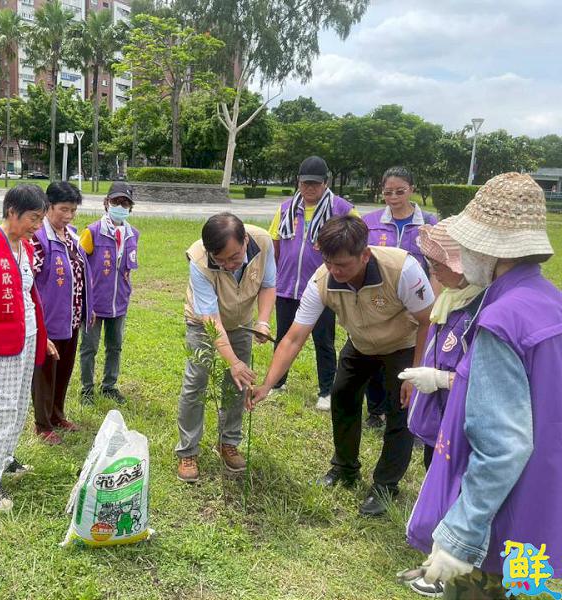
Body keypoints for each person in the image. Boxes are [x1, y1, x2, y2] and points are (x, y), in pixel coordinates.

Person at [407, 173, 562, 599]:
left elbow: (504, 444)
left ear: (490, 250)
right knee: (531, 592)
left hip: (498, 524)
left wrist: (459, 533)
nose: (462, 255)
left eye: (467, 244)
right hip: (541, 516)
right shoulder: (550, 302)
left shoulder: (501, 320)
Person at [250, 215, 435, 516]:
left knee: (399, 410)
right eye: (329, 262)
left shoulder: (402, 268)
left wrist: (415, 374)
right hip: (360, 343)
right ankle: (345, 469)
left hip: (404, 344)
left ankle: (385, 486)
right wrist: (267, 385)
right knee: (343, 396)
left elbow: (428, 320)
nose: (335, 271)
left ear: (365, 255)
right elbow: (294, 337)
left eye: (343, 265)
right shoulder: (322, 279)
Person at [396, 217, 484, 598]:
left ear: (463, 262)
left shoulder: (485, 305)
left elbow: (483, 378)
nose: (433, 274)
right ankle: (437, 554)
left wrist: (441, 379)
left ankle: (451, 571)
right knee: (437, 473)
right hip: (441, 411)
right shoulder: (451, 296)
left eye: (438, 266)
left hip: (466, 415)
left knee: (461, 488)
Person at [0, 185, 58, 511]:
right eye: (33, 218)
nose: (37, 226)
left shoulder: (25, 247)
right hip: (0, 346)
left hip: (27, 338)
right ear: (12, 212)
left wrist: (42, 336)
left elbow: (28, 296)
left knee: (18, 405)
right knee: (0, 410)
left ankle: (5, 458)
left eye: (40, 219)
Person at [176, 213, 276, 483]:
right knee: (196, 382)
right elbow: (212, 321)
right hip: (204, 324)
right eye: (221, 261)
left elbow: (267, 285)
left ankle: (228, 442)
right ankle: (188, 450)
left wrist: (263, 321)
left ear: (245, 240)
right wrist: (233, 361)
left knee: (238, 384)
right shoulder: (198, 260)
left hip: (241, 322)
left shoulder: (264, 242)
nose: (229, 265)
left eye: (234, 258)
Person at [267, 156, 356, 410]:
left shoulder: (341, 208)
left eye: (315, 184)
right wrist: (277, 275)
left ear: (325, 183)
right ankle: (277, 382)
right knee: (283, 337)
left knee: (323, 340)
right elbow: (275, 243)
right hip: (287, 286)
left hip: (322, 288)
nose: (309, 188)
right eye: (305, 183)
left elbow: (357, 240)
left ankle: (326, 391)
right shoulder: (286, 208)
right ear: (298, 182)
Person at [363, 167, 438, 429]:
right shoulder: (369, 221)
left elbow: (437, 267)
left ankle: (407, 412)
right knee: (374, 356)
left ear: (412, 190)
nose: (393, 197)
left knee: (409, 361)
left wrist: (434, 306)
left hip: (415, 307)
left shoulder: (429, 224)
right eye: (387, 192)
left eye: (400, 191)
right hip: (378, 304)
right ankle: (375, 410)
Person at [31, 181, 93, 445]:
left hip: (72, 315)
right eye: (63, 209)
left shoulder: (72, 235)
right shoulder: (38, 239)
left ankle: (57, 414)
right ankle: (42, 423)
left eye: (73, 210)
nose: (68, 216)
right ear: (48, 207)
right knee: (46, 372)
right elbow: (30, 282)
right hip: (49, 319)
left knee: (65, 369)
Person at [78, 182, 140, 405]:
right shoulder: (92, 232)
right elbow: (79, 265)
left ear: (130, 208)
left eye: (125, 204)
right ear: (106, 203)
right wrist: (85, 302)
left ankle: (109, 386)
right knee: (89, 348)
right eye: (116, 202)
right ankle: (86, 389)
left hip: (119, 303)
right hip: (94, 304)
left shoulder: (133, 234)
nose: (120, 207)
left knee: (115, 347)